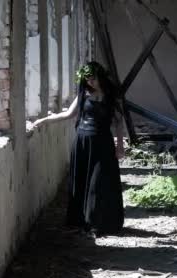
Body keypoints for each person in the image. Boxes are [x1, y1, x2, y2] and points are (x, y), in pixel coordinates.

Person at [33, 61, 125, 237]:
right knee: (84, 181)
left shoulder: (110, 96)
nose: (90, 82)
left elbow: (118, 122)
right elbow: (68, 115)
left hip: (103, 143)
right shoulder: (83, 95)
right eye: (87, 79)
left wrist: (119, 146)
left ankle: (101, 222)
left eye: (93, 78)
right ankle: (87, 222)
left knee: (100, 182)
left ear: (100, 77)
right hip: (83, 142)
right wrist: (44, 120)